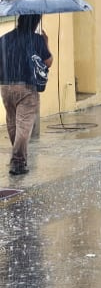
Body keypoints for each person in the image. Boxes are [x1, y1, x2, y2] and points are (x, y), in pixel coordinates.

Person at [1, 14, 52, 175]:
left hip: (6, 85)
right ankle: (18, 162)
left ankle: (18, 157)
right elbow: (48, 61)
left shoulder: (4, 39)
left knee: (12, 122)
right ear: (35, 22)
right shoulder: (36, 39)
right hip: (27, 87)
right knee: (23, 125)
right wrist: (46, 43)